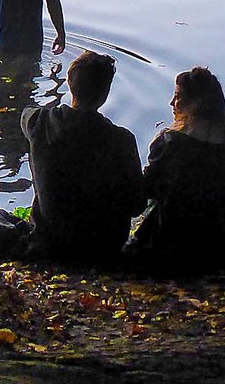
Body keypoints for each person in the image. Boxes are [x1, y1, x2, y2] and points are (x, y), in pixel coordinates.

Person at [125, 66, 225, 276]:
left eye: (178, 97)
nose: (171, 103)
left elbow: (148, 189)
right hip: (222, 237)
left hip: (173, 238)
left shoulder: (170, 142)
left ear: (196, 104)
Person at [20, 50, 142, 263]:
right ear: (105, 93)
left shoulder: (39, 122)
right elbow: (137, 206)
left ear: (69, 82)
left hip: (50, 244)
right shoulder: (122, 141)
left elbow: (25, 113)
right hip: (105, 249)